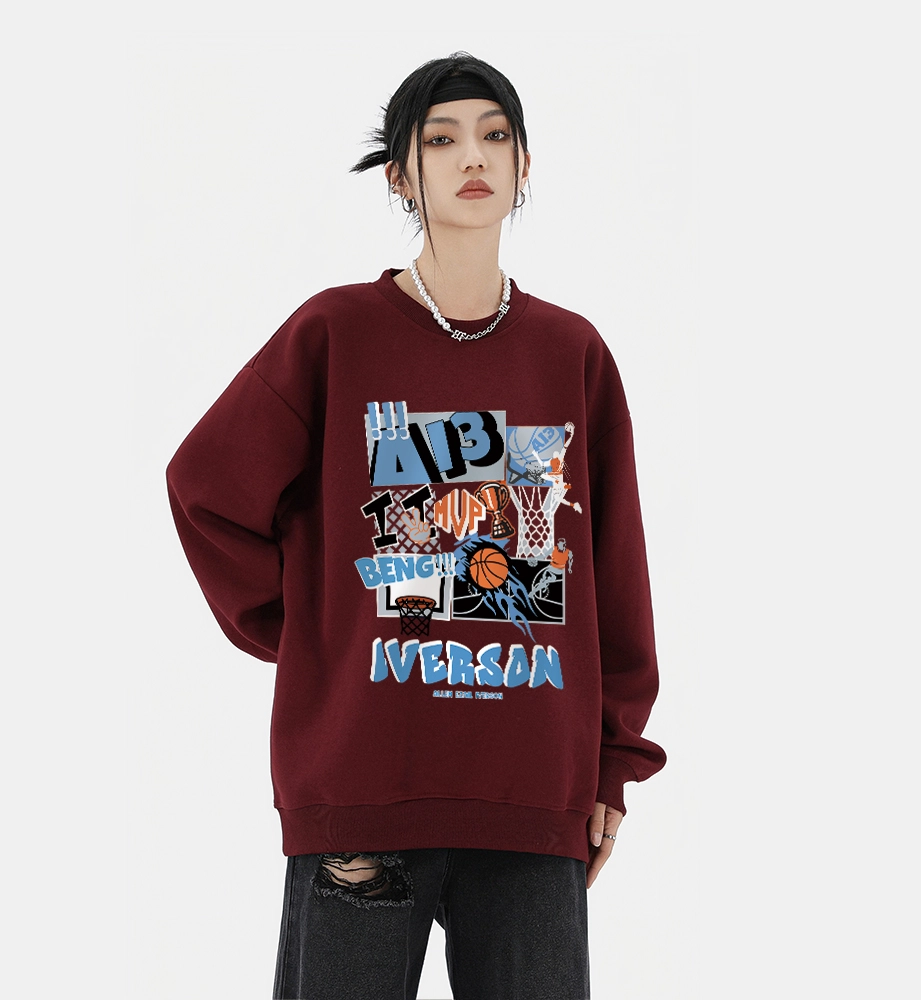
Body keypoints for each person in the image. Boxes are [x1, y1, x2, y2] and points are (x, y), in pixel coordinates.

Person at [166, 50, 667, 1000]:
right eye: (441, 140)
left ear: (524, 165)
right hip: (363, 790)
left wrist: (613, 764)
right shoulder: (333, 333)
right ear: (402, 174)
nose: (472, 156)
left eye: (494, 135)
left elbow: (615, 574)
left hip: (530, 789)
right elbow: (206, 488)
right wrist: (310, 630)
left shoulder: (572, 353)